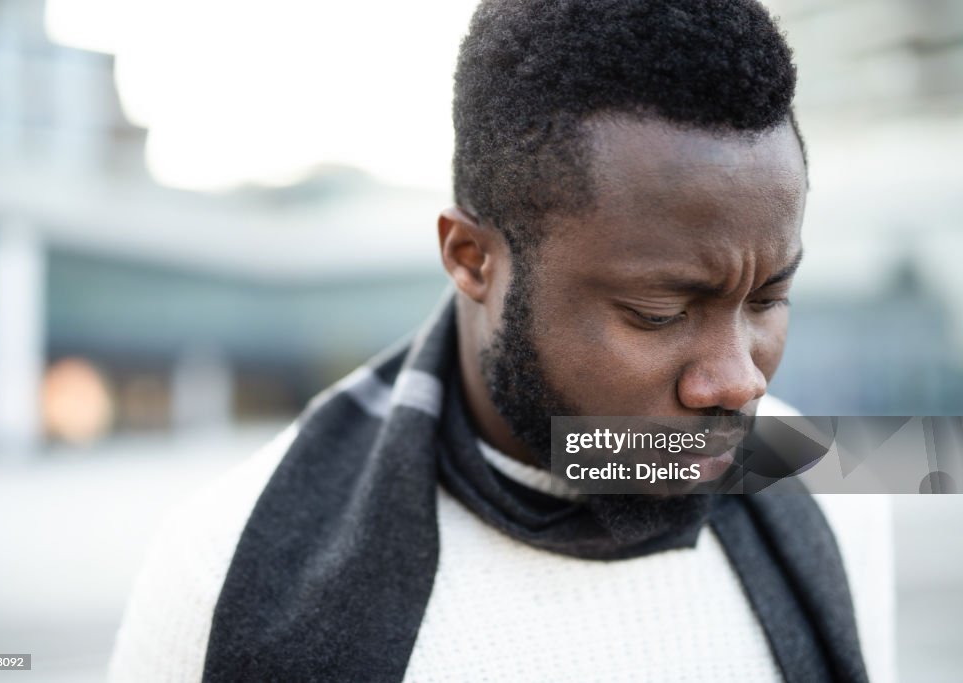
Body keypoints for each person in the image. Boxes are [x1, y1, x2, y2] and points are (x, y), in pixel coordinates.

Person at [110, 1, 893, 681]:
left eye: (768, 298)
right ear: (471, 258)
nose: (737, 383)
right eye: (658, 311)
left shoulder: (826, 489)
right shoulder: (228, 567)